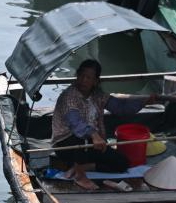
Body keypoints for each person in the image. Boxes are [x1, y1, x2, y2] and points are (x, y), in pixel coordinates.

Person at [52, 59, 160, 191]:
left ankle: (81, 167)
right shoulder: (68, 97)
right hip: (68, 144)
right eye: (81, 75)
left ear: (96, 81)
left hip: (91, 142)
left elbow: (121, 108)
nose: (83, 80)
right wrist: (94, 135)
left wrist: (145, 101)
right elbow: (76, 124)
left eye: (88, 77)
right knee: (80, 139)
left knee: (121, 163)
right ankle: (76, 170)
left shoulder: (98, 95)